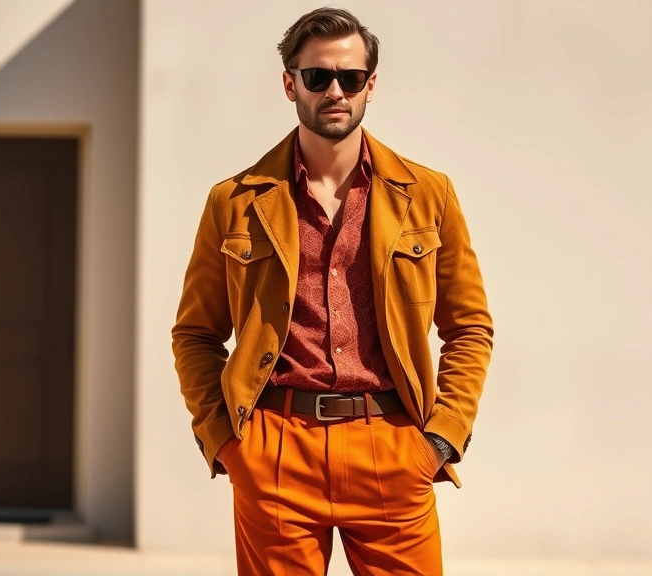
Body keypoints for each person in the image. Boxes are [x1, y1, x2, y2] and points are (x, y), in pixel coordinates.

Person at [171, 7, 494, 575]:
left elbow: (470, 327)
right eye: (318, 77)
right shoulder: (235, 202)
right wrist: (227, 441)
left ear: (372, 84)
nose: (335, 90)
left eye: (350, 77)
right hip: (276, 447)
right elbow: (195, 333)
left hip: (393, 444)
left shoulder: (428, 195)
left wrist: (440, 438)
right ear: (290, 84)